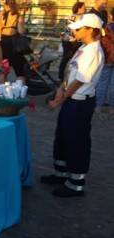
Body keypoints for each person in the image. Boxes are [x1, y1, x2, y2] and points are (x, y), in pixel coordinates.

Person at [42, 14, 105, 197]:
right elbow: (70, 73)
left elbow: (80, 80)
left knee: (77, 141)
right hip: (71, 99)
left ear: (90, 30)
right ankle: (61, 173)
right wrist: (61, 92)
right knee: (62, 137)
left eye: (79, 28)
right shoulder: (84, 48)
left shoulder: (93, 51)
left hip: (80, 102)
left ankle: (75, 183)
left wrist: (59, 100)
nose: (75, 31)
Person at [0, 0, 28, 81]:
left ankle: (2, 89)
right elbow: (21, 31)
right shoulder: (19, 16)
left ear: (6, 5)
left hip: (4, 42)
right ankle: (21, 89)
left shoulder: (1, 15)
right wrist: (26, 30)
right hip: (14, 43)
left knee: (4, 68)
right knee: (19, 69)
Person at [59, 1, 86, 80]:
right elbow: (73, 29)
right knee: (69, 58)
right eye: (84, 7)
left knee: (68, 58)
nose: (85, 9)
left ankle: (64, 76)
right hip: (71, 41)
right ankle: (64, 76)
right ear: (79, 8)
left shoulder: (75, 16)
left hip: (71, 40)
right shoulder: (75, 17)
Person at [95, 23, 114, 113]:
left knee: (102, 83)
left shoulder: (105, 30)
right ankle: (112, 108)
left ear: (111, 16)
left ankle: (98, 106)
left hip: (107, 60)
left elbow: (101, 44)